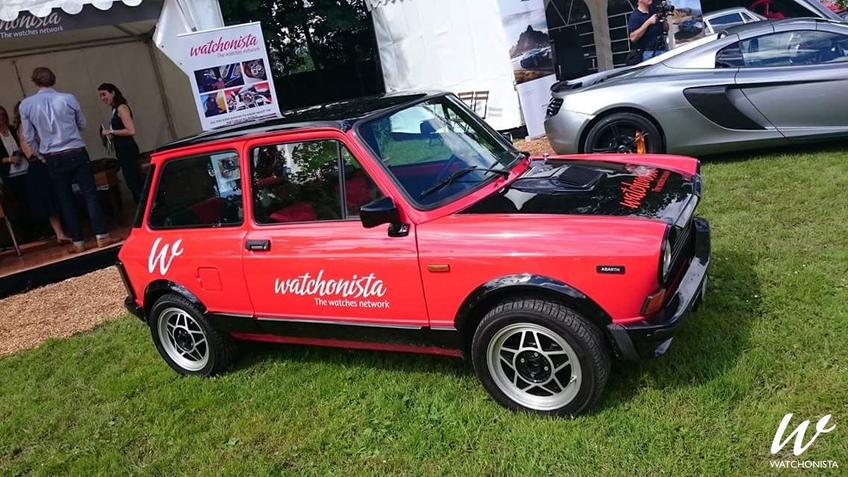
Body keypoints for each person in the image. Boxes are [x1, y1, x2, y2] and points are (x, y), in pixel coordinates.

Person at [19, 67, 119, 253]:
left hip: (52, 156)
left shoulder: (26, 105)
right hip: (75, 150)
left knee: (65, 198)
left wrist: (41, 156)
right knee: (89, 193)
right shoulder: (68, 98)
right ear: (54, 80)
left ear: (35, 82)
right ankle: (101, 235)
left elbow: (29, 136)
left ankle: (78, 241)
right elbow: (82, 124)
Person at [0, 104, 70, 244]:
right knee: (22, 204)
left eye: (3, 114)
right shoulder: (22, 128)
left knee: (37, 200)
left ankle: (48, 230)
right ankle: (30, 234)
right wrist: (9, 159)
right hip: (13, 173)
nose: (1, 118)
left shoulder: (14, 130)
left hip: (26, 168)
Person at [98, 83, 143, 203]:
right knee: (131, 181)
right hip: (122, 150)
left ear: (113, 92)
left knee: (133, 181)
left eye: (104, 94)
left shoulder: (121, 108)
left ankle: (146, 207)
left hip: (128, 149)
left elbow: (131, 130)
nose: (103, 98)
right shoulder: (114, 109)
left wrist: (111, 131)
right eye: (100, 96)